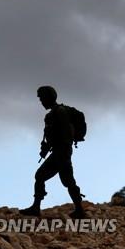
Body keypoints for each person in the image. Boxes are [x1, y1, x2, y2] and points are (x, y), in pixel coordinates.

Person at [20, 86, 86, 218]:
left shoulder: (60, 112)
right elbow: (51, 135)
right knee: (68, 181)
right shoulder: (51, 115)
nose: (41, 102)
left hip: (61, 151)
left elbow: (64, 134)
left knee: (40, 176)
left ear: (49, 97)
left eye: (42, 98)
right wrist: (46, 148)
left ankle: (36, 207)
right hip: (61, 151)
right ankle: (79, 210)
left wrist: (63, 151)